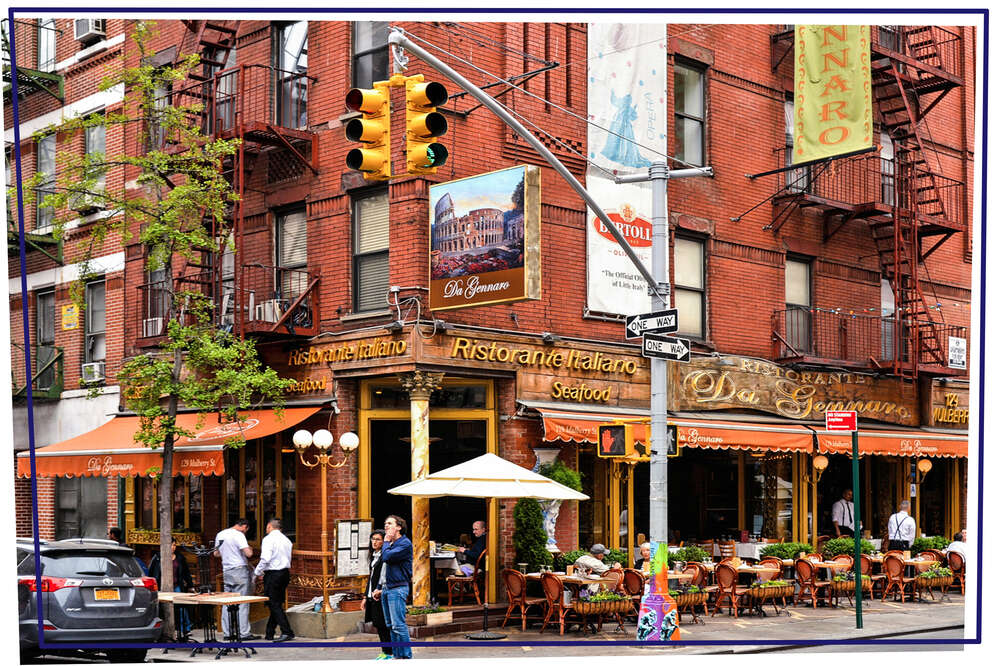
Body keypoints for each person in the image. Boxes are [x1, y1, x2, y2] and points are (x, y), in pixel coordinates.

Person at [374, 515, 412, 660]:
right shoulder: (390, 544)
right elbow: (384, 568)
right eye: (385, 524)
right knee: (390, 625)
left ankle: (406, 657)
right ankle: (397, 656)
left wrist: (385, 542)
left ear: (399, 527)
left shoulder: (404, 544)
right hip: (387, 588)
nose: (386, 526)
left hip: (397, 588)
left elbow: (387, 558)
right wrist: (379, 587)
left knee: (398, 625)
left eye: (390, 523)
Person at [214, 518, 258, 640]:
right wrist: (249, 548)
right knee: (243, 602)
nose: (245, 532)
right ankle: (244, 633)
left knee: (227, 602)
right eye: (246, 530)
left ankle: (227, 632)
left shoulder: (221, 534)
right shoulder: (239, 535)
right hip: (239, 570)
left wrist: (228, 553)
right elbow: (249, 554)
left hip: (227, 571)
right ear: (244, 527)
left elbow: (216, 554)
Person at [254, 518, 294, 642]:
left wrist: (257, 572)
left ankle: (287, 631)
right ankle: (269, 632)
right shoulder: (287, 540)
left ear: (270, 526)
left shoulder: (268, 539)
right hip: (284, 573)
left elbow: (265, 558)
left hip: (273, 574)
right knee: (276, 603)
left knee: (274, 604)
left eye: (266, 527)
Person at [149, 538, 194, 637]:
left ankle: (185, 628)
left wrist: (190, 585)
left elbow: (186, 572)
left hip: (177, 585)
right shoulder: (157, 557)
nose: (173, 547)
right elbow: (151, 571)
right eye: (170, 545)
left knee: (182, 607)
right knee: (163, 608)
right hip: (162, 587)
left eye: (174, 545)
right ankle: (163, 630)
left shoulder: (179, 557)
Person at [363, 529, 392, 660]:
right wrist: (365, 596)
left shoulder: (384, 557)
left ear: (383, 541)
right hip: (372, 595)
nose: (374, 542)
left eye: (378, 539)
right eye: (373, 539)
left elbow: (385, 577)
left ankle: (389, 652)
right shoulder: (373, 556)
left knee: (383, 625)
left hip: (381, 594)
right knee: (378, 624)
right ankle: (385, 651)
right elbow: (371, 578)